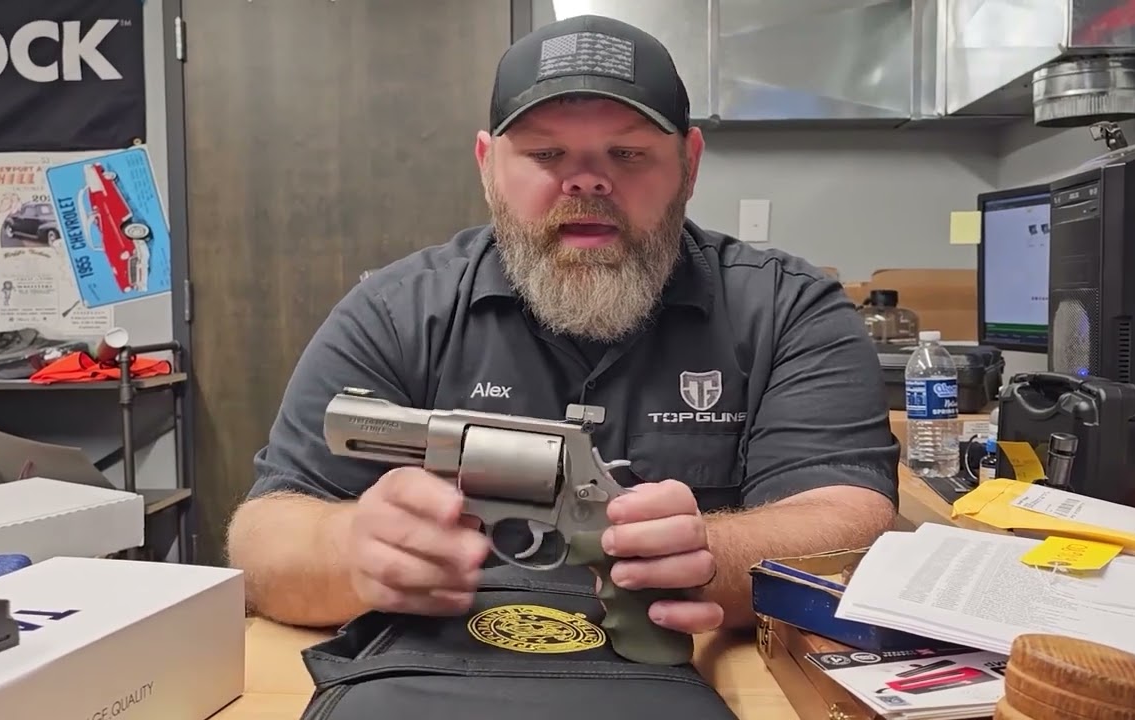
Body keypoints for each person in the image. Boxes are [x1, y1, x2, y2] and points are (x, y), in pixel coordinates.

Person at [227, 14, 900, 636]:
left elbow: (849, 522)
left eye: (628, 155)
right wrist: (351, 551)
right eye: (547, 156)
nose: (586, 182)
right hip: (449, 673)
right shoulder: (395, 311)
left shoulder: (789, 308)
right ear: (488, 167)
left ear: (689, 165)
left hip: (688, 679)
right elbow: (263, 537)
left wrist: (706, 553)